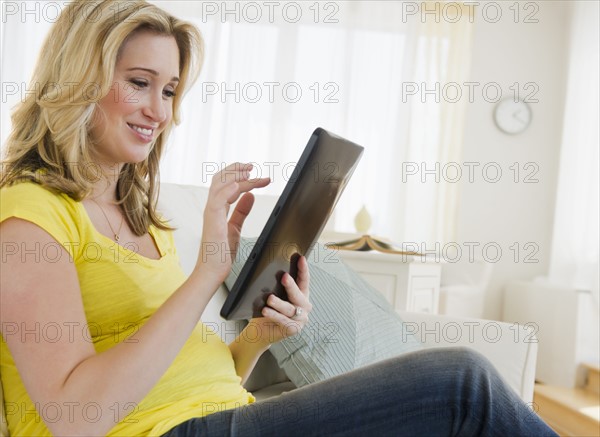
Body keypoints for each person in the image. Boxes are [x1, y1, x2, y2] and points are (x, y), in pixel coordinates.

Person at [0, 1, 557, 436]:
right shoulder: (29, 219)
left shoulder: (139, 215)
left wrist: (259, 338)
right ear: (77, 80)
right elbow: (74, 419)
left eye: (169, 90)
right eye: (140, 83)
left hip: (216, 417)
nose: (160, 111)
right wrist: (205, 276)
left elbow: (189, 377)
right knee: (462, 383)